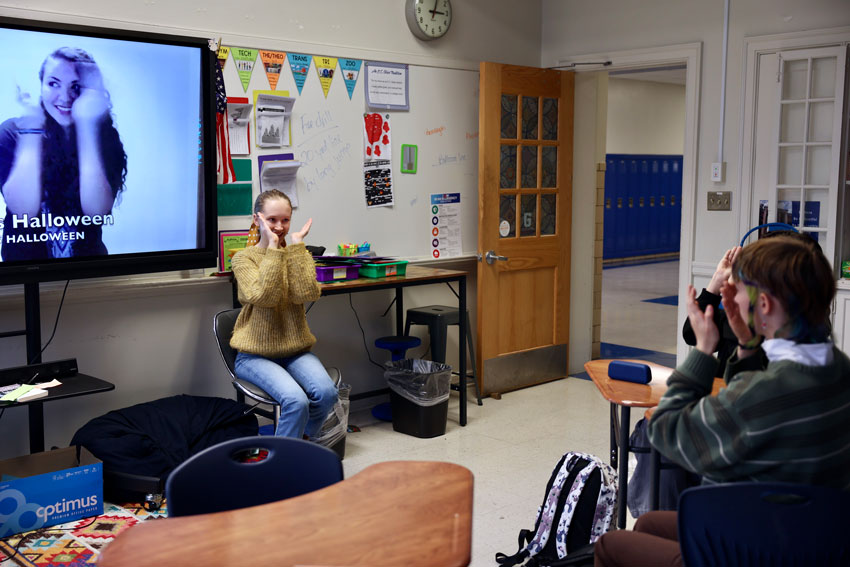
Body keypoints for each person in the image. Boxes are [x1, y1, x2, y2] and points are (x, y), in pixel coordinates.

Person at [595, 236, 850, 567]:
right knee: (647, 524)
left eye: (738, 287)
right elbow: (752, 395)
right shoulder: (839, 369)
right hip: (814, 537)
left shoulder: (760, 397)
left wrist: (703, 351)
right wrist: (746, 345)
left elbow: (665, 430)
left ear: (765, 305)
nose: (731, 294)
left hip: (752, 550)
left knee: (609, 545)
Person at [0, 47, 127, 261]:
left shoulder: (105, 138)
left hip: (89, 273)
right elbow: (24, 211)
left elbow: (96, 212)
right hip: (24, 276)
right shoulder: (12, 133)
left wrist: (87, 125)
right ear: (41, 85)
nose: (65, 97)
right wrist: (32, 130)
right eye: (53, 83)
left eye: (76, 87)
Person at [229, 189, 338, 439]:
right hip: (254, 356)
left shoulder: (296, 254)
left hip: (294, 351)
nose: (280, 227)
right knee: (296, 401)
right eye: (272, 220)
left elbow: (307, 293)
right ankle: (282, 465)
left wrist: (297, 250)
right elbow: (263, 297)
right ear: (257, 220)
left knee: (327, 393)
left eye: (285, 220)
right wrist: (275, 252)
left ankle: (301, 444)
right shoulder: (243, 259)